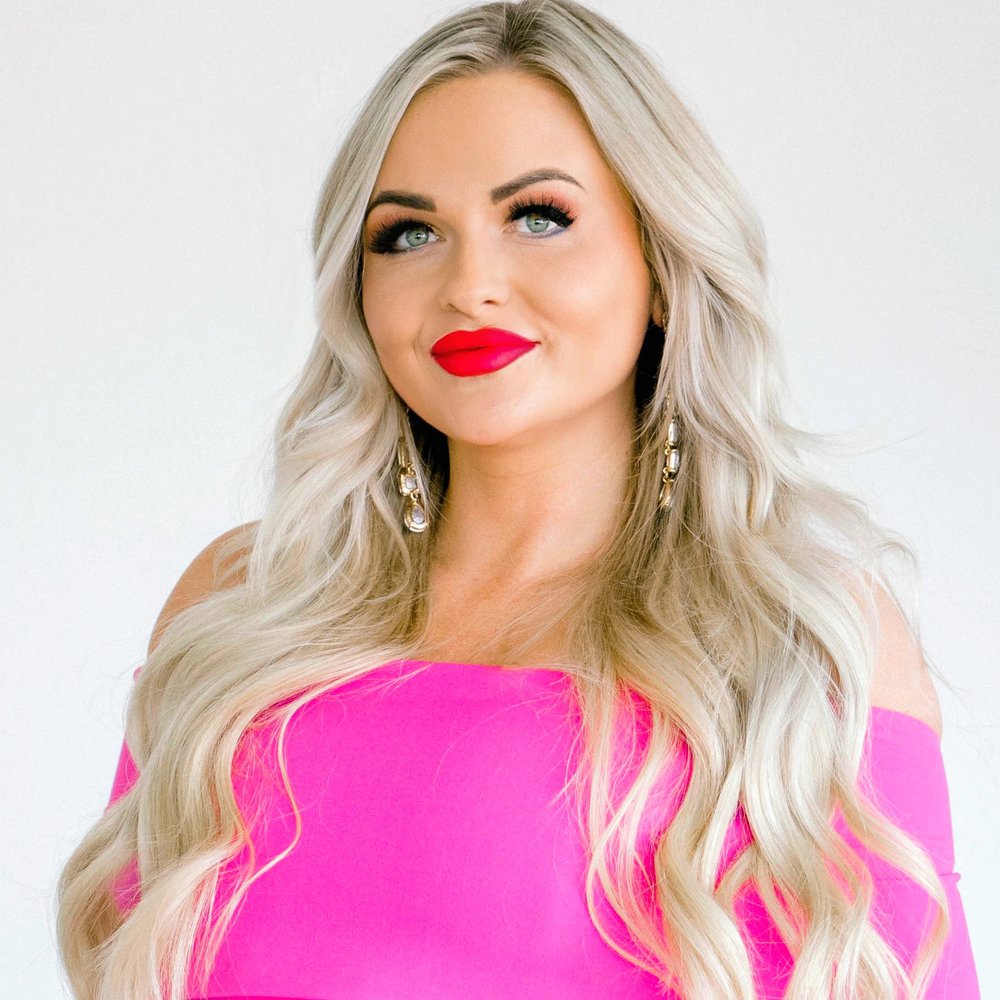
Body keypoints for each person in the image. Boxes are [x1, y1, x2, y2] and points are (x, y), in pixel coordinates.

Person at [56, 1, 980, 998]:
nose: (471, 284)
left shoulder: (800, 642)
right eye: (409, 233)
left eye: (538, 217)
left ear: (660, 266)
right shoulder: (241, 605)